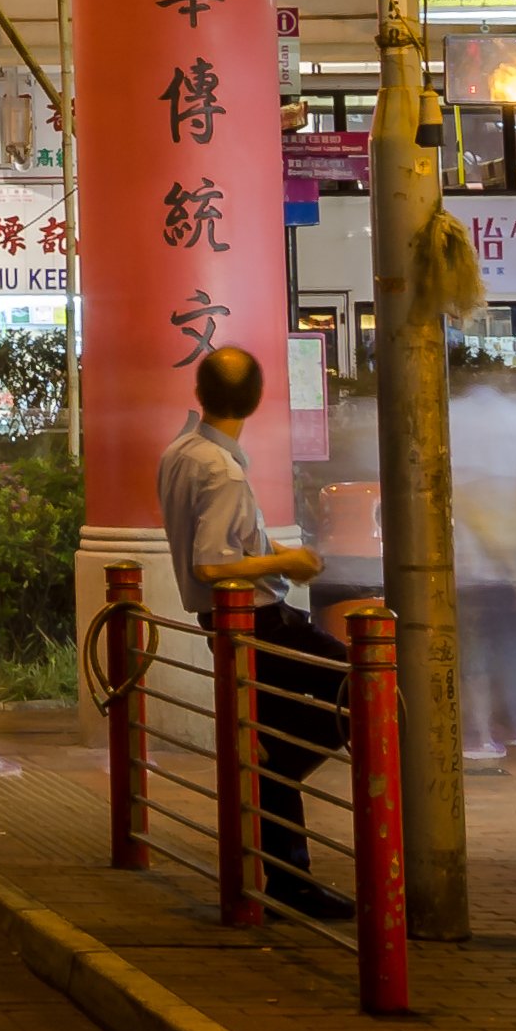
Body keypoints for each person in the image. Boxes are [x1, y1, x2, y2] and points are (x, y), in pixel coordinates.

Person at [156, 345, 361, 919]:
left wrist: (273, 553)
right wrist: (286, 564)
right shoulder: (220, 470)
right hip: (255, 622)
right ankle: (279, 771)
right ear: (256, 399)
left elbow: (224, 550)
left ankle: (288, 873)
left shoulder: (182, 451)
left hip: (239, 622)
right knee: (366, 689)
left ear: (200, 394)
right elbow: (213, 563)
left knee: (305, 717)